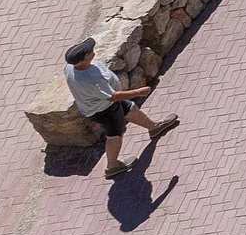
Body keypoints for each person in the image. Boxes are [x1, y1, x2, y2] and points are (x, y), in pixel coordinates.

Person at [60, 39, 174, 178]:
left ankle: (154, 128)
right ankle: (112, 166)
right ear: (84, 59)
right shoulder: (90, 79)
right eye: (90, 51)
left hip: (106, 104)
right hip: (103, 110)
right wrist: (139, 92)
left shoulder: (71, 67)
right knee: (115, 134)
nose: (93, 50)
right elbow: (113, 96)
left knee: (130, 108)